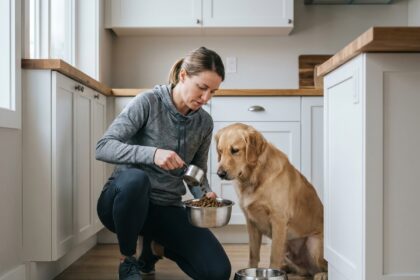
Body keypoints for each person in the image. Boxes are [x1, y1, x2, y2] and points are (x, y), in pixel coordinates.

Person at [96, 47, 231, 280]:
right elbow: (103, 147)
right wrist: (153, 154)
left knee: (218, 272)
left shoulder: (204, 123)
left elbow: (195, 173)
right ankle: (128, 260)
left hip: (166, 208)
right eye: (202, 87)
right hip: (123, 203)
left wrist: (206, 194)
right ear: (183, 76)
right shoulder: (147, 102)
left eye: (213, 91)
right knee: (136, 180)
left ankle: (154, 249)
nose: (206, 98)